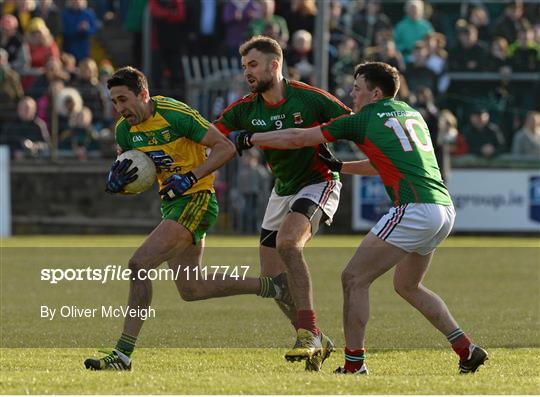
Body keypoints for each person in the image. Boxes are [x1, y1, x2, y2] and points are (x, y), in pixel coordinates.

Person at [232, 61, 489, 375]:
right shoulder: (410, 113)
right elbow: (383, 163)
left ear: (375, 92)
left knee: (353, 279)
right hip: (443, 210)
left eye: (357, 88)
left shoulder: (362, 119)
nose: (351, 94)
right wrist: (341, 167)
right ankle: (466, 349)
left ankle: (354, 365)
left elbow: (300, 137)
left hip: (413, 208)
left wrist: (251, 139)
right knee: (408, 285)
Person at [84, 66, 291, 371]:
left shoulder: (175, 114)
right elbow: (135, 176)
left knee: (138, 264)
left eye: (124, 99)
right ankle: (273, 287)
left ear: (143, 94)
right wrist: (118, 186)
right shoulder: (124, 131)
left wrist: (191, 176)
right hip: (172, 207)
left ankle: (122, 354)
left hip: (197, 200)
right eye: (114, 101)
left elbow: (226, 147)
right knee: (191, 289)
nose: (120, 108)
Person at [215, 35, 351, 371]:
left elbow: (356, 122)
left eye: (253, 64)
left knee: (289, 244)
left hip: (319, 182)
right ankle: (316, 336)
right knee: (273, 283)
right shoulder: (245, 109)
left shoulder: (309, 98)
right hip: (283, 189)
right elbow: (209, 138)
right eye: (245, 65)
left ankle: (308, 334)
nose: (247, 72)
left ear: (274, 65)